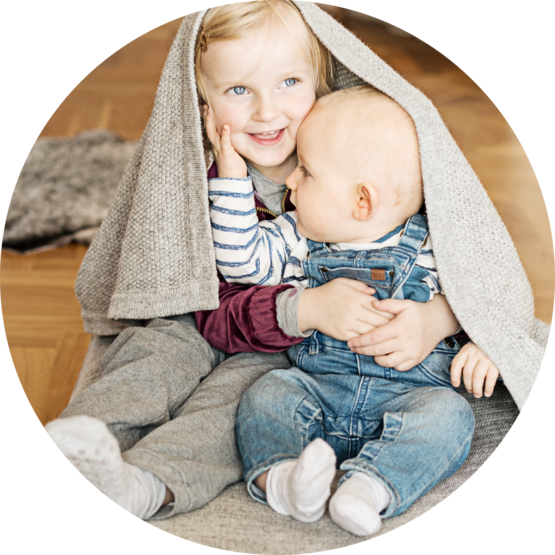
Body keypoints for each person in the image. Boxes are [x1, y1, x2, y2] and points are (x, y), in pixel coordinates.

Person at [43, 1, 462, 522]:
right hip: (212, 313)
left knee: (235, 405)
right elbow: (215, 297)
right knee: (149, 357)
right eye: (239, 90)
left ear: (323, 79)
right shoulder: (189, 170)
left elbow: (471, 273)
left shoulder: (359, 155)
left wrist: (441, 317)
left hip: (279, 345)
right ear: (203, 104)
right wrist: (232, 175)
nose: (267, 112)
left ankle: (148, 484)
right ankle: (79, 440)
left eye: (289, 82)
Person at [205, 85, 500, 536]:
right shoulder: (297, 236)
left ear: (361, 201)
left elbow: (488, 292)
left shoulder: (431, 245)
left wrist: (483, 339)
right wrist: (230, 175)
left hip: (411, 396)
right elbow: (240, 261)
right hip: (319, 390)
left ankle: (369, 487)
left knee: (451, 417)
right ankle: (284, 479)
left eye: (306, 172)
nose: (290, 181)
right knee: (268, 395)